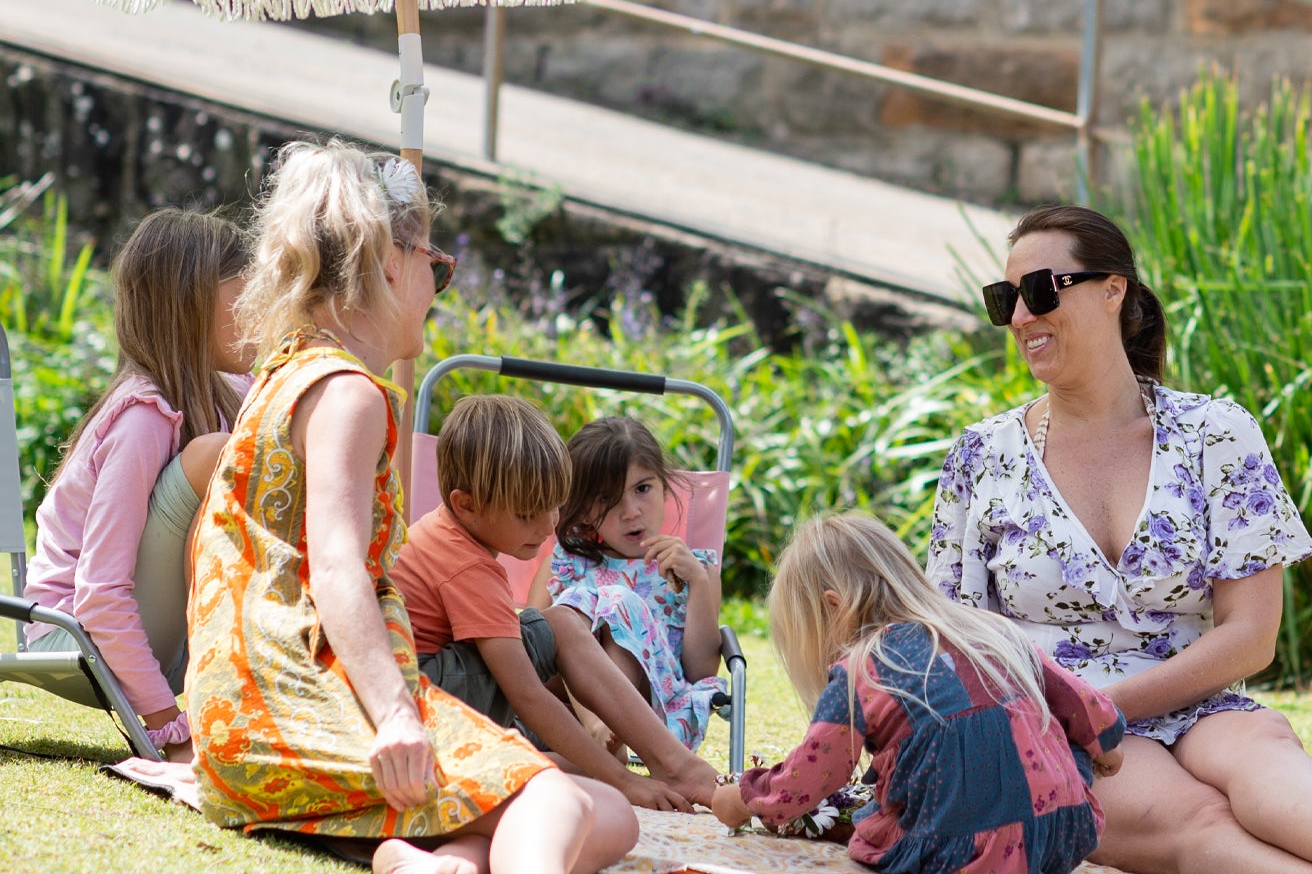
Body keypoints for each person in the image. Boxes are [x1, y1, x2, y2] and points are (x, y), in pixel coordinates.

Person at [186, 140, 638, 874]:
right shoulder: (348, 394)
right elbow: (337, 567)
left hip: (239, 713)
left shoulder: (284, 375)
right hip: (299, 700)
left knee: (609, 812)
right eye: (439, 266)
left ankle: (432, 859)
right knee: (561, 804)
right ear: (390, 262)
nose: (439, 285)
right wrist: (397, 713)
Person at [928, 203, 1312, 874]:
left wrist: (1110, 705)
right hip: (1057, 731)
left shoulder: (1216, 434)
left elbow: (1251, 635)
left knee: (1271, 774)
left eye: (1042, 289)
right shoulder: (980, 456)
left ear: (1114, 290)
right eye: (1005, 298)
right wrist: (1066, 715)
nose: (1020, 316)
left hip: (1203, 704)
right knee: (1202, 824)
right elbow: (953, 635)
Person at [712, 511, 1126, 872]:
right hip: (1060, 833)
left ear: (835, 607)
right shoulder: (993, 633)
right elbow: (1089, 707)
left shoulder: (862, 667)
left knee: (875, 822)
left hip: (954, 853)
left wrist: (744, 799)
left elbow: (809, 778)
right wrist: (1107, 752)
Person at [390, 395, 717, 810]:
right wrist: (624, 783)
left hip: (420, 693)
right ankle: (675, 766)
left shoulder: (442, 532)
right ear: (466, 504)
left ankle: (534, 763)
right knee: (561, 625)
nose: (548, 526)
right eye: (528, 513)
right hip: (425, 692)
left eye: (555, 507)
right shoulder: (469, 568)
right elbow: (527, 693)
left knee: (584, 755)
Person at [24, 207, 250, 761]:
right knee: (213, 456)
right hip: (75, 636)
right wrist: (166, 724)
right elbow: (99, 595)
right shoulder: (143, 418)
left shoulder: (225, 391)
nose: (260, 311)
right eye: (244, 297)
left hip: (143, 639)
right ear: (192, 305)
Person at [531, 416, 726, 755]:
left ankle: (605, 731)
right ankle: (599, 731)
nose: (631, 511)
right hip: (572, 702)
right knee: (562, 618)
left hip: (656, 703)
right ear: (584, 511)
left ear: (665, 487)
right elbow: (531, 650)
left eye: (642, 489)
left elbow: (701, 670)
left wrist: (695, 582)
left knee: (619, 605)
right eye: (607, 499)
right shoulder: (566, 562)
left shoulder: (696, 570)